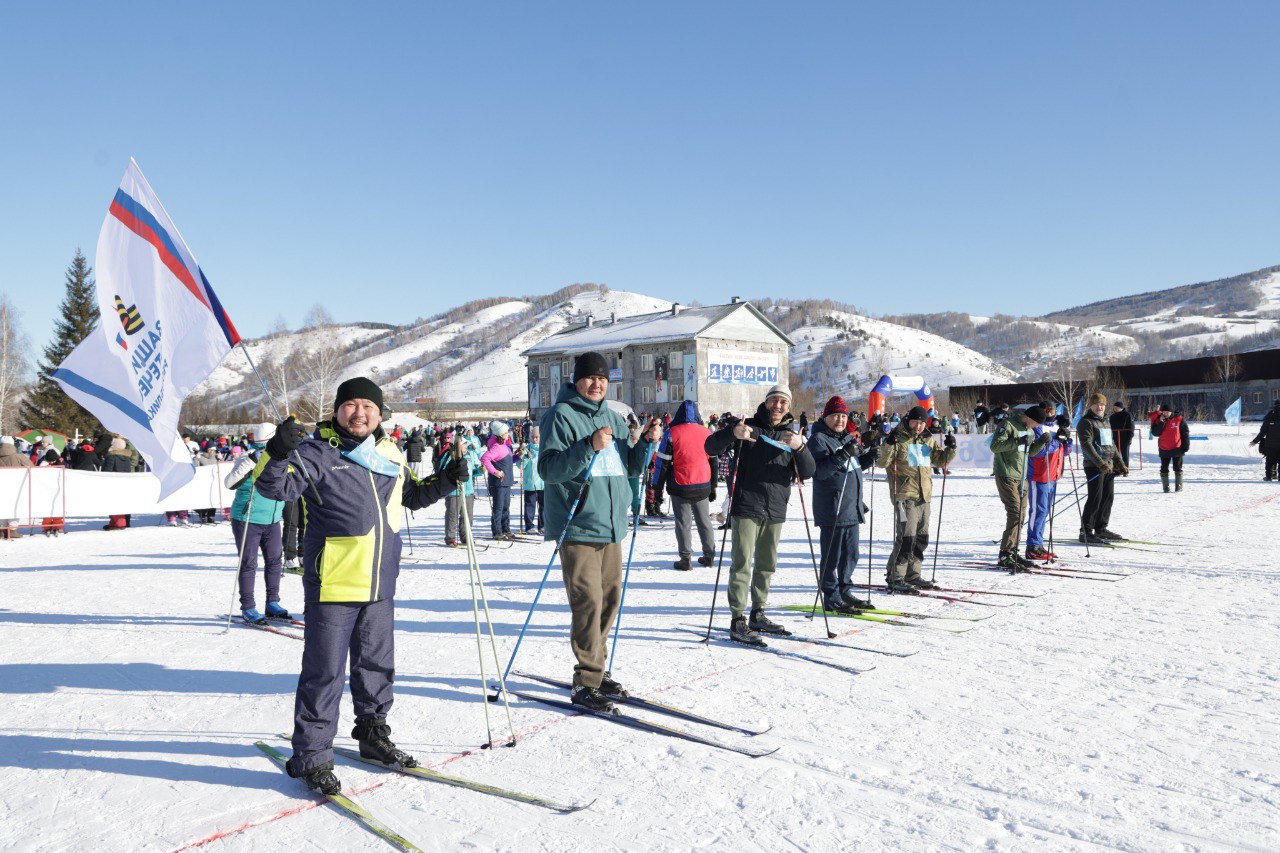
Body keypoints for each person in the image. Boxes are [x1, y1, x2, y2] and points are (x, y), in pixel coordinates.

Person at [253, 377, 466, 795]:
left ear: (379, 413)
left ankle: (372, 735)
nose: (359, 413)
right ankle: (312, 757)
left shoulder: (388, 453)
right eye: (350, 405)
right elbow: (272, 487)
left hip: (380, 583)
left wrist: (445, 480)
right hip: (334, 583)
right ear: (337, 411)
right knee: (324, 674)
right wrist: (277, 452)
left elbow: (410, 497)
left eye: (368, 406)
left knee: (375, 668)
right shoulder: (314, 453)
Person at [538, 352, 661, 712]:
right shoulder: (560, 416)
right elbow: (549, 469)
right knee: (588, 602)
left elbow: (629, 468)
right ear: (577, 380)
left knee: (609, 600)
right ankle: (587, 679)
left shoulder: (613, 416)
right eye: (591, 378)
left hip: (611, 525)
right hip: (577, 523)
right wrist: (586, 446)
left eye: (603, 379)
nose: (597, 384)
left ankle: (598, 668)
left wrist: (648, 444)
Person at [704, 384, 815, 644]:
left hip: (776, 507)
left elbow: (808, 472)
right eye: (774, 400)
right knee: (742, 564)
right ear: (766, 403)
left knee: (766, 565)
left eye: (783, 402)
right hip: (746, 504)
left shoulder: (791, 435)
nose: (778, 406)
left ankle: (758, 612)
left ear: (789, 407)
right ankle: (737, 619)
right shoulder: (749, 426)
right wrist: (733, 432)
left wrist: (800, 448)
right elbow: (710, 447)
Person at [877, 406, 957, 591]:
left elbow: (940, 461)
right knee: (906, 538)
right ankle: (895, 577)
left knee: (921, 538)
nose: (919, 426)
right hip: (905, 496)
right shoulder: (898, 438)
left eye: (922, 423)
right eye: (916, 422)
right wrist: (888, 444)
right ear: (908, 420)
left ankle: (913, 574)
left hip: (924, 495)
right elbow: (882, 463)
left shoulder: (927, 439)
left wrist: (951, 448)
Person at [808, 396, 876, 612]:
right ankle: (831, 595)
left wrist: (868, 459)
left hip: (851, 507)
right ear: (826, 416)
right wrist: (843, 454)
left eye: (843, 416)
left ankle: (844, 591)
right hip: (833, 508)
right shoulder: (818, 439)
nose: (839, 420)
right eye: (835, 415)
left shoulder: (844, 438)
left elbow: (849, 467)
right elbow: (819, 472)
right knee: (832, 556)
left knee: (851, 554)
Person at [223, 423, 290, 624]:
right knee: (249, 563)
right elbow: (229, 483)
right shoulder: (247, 458)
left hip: (271, 519)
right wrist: (251, 461)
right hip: (247, 518)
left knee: (275, 561)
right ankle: (249, 607)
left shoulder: (281, 458)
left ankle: (272, 602)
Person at [654, 400, 717, 571]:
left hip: (680, 485)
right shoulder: (706, 432)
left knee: (683, 523)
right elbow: (713, 461)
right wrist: (713, 486)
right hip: (703, 484)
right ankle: (709, 555)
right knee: (704, 521)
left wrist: (657, 487)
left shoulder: (671, 433)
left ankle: (685, 559)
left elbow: (663, 463)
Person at [990, 405, 1052, 570]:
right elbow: (995, 446)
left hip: (1021, 476)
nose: (1037, 427)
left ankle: (1013, 550)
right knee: (1015, 512)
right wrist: (1016, 440)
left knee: (1022, 514)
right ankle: (1005, 553)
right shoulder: (1008, 425)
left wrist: (1040, 443)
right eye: (1036, 423)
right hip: (1006, 474)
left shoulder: (1030, 431)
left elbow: (1029, 452)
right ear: (1029, 417)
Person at [1077, 392, 1128, 543]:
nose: (1100, 407)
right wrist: (1100, 463)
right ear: (1091, 405)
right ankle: (1085, 531)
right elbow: (1087, 445)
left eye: (1102, 404)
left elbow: (1110, 444)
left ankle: (1101, 528)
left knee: (1107, 497)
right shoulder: (1086, 422)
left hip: (1108, 466)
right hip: (1094, 466)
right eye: (1097, 404)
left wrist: (1120, 464)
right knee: (1095, 498)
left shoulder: (1106, 421)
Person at [1025, 412, 1073, 563]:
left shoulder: (1056, 427)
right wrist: (1056, 441)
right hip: (1039, 475)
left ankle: (1038, 544)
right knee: (1037, 511)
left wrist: (1066, 440)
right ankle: (1032, 546)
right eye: (1046, 410)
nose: (1050, 413)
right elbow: (1038, 451)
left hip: (1053, 475)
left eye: (1052, 410)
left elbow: (1064, 451)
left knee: (1044, 511)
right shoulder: (1036, 427)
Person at [437, 432, 480, 547]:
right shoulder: (450, 455)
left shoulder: (470, 455)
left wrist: (480, 471)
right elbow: (443, 470)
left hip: (468, 490)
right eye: (462, 444)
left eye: (465, 443)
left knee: (468, 516)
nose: (465, 446)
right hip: (454, 491)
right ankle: (450, 538)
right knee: (453, 515)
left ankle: (466, 537)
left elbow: (472, 472)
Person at [481, 419, 515, 540]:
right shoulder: (496, 447)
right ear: (500, 434)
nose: (508, 433)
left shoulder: (504, 446)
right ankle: (497, 531)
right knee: (499, 508)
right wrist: (495, 472)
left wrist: (518, 456)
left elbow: (508, 460)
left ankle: (506, 529)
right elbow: (485, 459)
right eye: (506, 432)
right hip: (499, 483)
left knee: (506, 507)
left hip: (506, 482)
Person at [1149, 403, 1189, 493]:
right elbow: (1155, 433)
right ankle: (1165, 487)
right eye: (1164, 412)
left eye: (1167, 412)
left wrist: (1185, 445)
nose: (1165, 414)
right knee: (1164, 468)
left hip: (1177, 447)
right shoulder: (1158, 419)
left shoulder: (1179, 419)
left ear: (1171, 412)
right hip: (1164, 447)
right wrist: (1161, 422)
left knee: (1177, 467)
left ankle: (1178, 487)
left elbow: (1185, 433)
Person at [0, 435, 33, 538]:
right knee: (15, 506)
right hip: (16, 486)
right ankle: (12, 530)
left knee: (2, 505)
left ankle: (2, 529)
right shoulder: (19, 456)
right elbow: (31, 466)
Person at [519, 426, 544, 534]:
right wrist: (525, 457)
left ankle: (543, 525)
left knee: (543, 506)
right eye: (533, 437)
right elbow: (520, 466)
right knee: (530, 505)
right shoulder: (527, 449)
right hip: (530, 483)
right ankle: (529, 526)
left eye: (537, 437)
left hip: (543, 482)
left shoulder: (544, 448)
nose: (535, 440)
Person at [1250, 400, 1280, 480]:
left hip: (1270, 445)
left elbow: (1262, 432)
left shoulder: (1269, 416)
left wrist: (1255, 441)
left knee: (1270, 461)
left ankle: (1269, 476)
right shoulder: (1269, 416)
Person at [1109, 401, 1135, 468]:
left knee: (1125, 455)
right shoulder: (1112, 416)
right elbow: (1109, 427)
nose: (1115, 408)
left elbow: (1131, 427)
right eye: (1114, 407)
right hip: (1115, 438)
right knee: (1115, 455)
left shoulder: (1127, 415)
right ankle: (1116, 469)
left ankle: (1125, 469)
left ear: (1121, 407)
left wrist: (1129, 438)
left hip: (1125, 438)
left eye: (1117, 407)